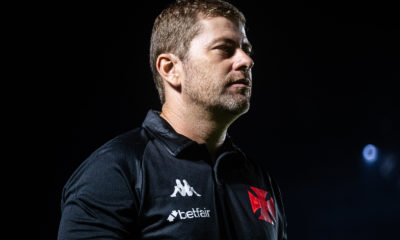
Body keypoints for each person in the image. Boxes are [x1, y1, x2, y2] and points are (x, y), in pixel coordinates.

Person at [58, 0, 287, 239]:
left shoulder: (258, 179)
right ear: (170, 69)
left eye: (246, 50)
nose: (246, 61)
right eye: (224, 49)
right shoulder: (115, 171)